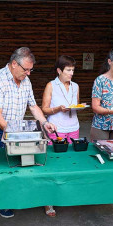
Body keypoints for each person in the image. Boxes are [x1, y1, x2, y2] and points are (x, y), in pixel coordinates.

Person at [0, 47, 56, 218]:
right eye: (26, 69)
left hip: (15, 129)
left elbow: (33, 106)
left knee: (17, 162)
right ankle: (2, 202)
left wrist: (44, 123)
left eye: (31, 70)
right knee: (1, 168)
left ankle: (15, 196)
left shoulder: (25, 81)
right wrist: (15, 135)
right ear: (14, 64)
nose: (29, 73)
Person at [41, 55, 81, 217]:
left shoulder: (76, 86)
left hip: (74, 127)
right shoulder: (51, 85)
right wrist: (58, 108)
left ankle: (66, 195)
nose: (71, 73)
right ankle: (48, 201)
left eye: (73, 70)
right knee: (53, 163)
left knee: (72, 162)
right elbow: (44, 109)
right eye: (68, 70)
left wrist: (76, 107)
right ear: (59, 70)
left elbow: (76, 105)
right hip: (56, 128)